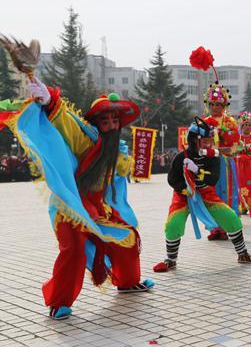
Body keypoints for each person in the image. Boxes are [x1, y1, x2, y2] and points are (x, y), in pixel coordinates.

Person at [1, 78, 154, 320]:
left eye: (115, 120)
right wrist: (50, 101)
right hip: (70, 207)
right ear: (96, 122)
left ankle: (127, 282)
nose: (111, 125)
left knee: (127, 237)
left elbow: (117, 190)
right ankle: (59, 302)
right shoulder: (88, 139)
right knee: (73, 250)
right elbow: (68, 124)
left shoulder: (118, 152)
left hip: (97, 209)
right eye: (105, 120)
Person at [153, 117, 251, 272]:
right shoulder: (181, 157)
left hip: (206, 193)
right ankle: (171, 260)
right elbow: (172, 178)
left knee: (231, 218)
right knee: (173, 224)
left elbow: (212, 179)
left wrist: (197, 171)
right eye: (204, 141)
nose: (208, 144)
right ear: (193, 141)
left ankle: (243, 254)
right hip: (183, 194)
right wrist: (184, 189)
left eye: (209, 141)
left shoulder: (214, 157)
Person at [203, 81, 241, 240]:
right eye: (212, 104)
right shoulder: (205, 122)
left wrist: (224, 133)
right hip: (209, 163)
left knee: (225, 193)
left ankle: (227, 227)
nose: (215, 107)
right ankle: (214, 228)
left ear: (224, 105)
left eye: (219, 104)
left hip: (224, 163)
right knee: (211, 195)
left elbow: (235, 143)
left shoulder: (229, 122)